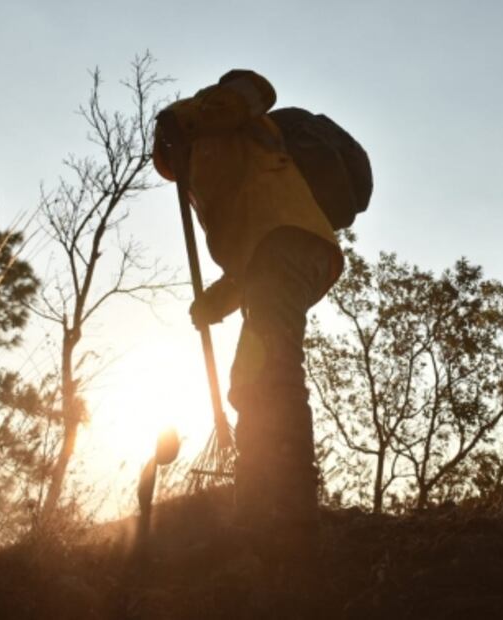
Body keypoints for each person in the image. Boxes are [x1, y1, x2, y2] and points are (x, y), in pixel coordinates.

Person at [152, 70, 343, 553]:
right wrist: (213, 303)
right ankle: (257, 500)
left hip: (288, 242)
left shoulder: (224, 116)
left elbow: (249, 91)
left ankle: (291, 506)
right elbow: (246, 254)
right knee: (247, 379)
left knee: (274, 365)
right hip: (273, 253)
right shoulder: (221, 171)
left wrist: (178, 117)